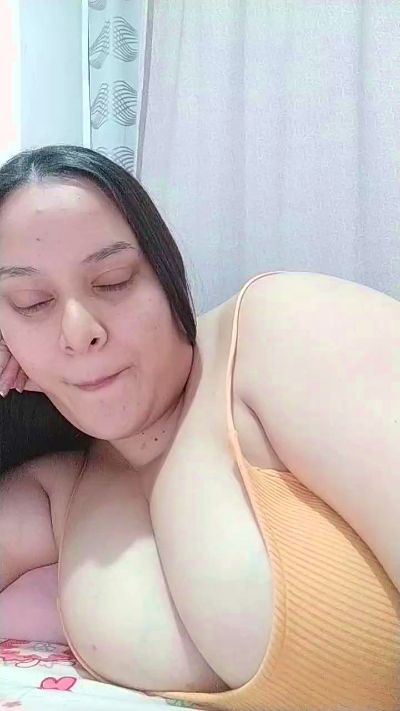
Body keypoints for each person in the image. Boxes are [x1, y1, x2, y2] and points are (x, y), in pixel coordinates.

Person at [0, 145, 398, 711]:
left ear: (167, 275)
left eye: (112, 281)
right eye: (31, 302)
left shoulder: (273, 332)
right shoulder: (61, 488)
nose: (80, 329)